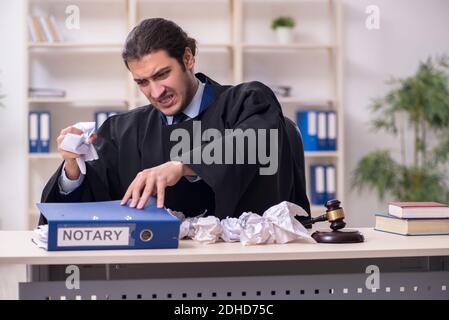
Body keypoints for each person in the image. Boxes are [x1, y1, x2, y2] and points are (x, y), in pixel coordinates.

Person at [39, 18, 310, 225]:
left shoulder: (247, 101)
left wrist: (182, 166)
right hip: (153, 270)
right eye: (142, 82)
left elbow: (256, 142)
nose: (156, 92)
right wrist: (73, 167)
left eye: (162, 74)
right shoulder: (123, 131)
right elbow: (83, 209)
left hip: (243, 267)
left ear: (188, 59)